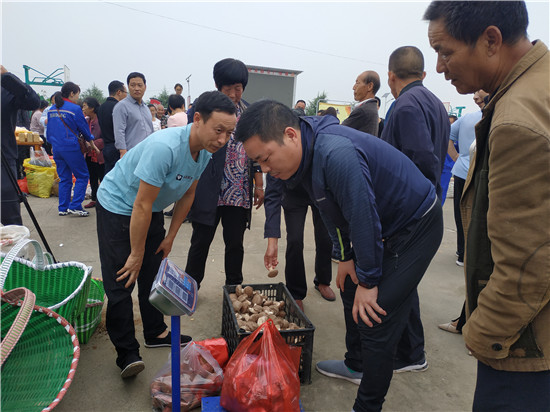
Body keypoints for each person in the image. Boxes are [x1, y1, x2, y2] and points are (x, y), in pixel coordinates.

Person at [235, 100, 443, 412]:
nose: (265, 169)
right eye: (258, 164)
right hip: (383, 223)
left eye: (265, 159)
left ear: (290, 135)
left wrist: (371, 280)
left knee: (376, 315)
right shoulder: (303, 158)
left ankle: (367, 406)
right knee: (348, 285)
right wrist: (345, 258)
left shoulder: (335, 154)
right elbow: (330, 210)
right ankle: (355, 364)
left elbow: (362, 216)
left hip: (415, 225)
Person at [425, 2, 550, 410]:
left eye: (445, 51)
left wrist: (482, 333)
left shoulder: (517, 118)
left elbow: (528, 262)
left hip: (528, 350)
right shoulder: (534, 89)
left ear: (491, 40)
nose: (441, 67)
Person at [96, 91, 237, 379]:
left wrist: (171, 236)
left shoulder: (206, 153)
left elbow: (188, 195)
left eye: (229, 133)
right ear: (197, 119)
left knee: (153, 271)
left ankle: (155, 331)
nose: (223, 139)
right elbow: (141, 204)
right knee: (123, 278)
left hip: (151, 207)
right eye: (218, 130)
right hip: (119, 205)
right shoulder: (166, 147)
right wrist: (135, 253)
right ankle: (127, 353)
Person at [380, 45, 450, 373]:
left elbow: (423, 157)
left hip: (410, 211)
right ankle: (410, 349)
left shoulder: (404, 106)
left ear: (391, 76)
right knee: (405, 279)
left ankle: (411, 353)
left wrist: (419, 200)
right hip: (424, 205)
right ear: (423, 75)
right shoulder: (435, 102)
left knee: (399, 279)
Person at [185, 58, 264, 288]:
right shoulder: (204, 107)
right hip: (209, 187)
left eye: (237, 88)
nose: (232, 93)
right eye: (227, 88)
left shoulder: (248, 111)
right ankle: (191, 286)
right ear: (218, 86)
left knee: (235, 243)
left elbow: (256, 149)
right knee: (200, 241)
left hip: (238, 192)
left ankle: (233, 286)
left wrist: (258, 184)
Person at [264, 173, 336, 312]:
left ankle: (323, 280)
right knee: (295, 240)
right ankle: (295, 291)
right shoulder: (275, 158)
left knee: (325, 238)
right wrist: (272, 241)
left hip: (319, 189)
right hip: (293, 195)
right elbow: (272, 196)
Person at [47, 82, 99, 217]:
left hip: (57, 148)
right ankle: (75, 205)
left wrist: (53, 144)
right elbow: (84, 129)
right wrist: (91, 141)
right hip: (70, 147)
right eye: (77, 94)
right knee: (82, 176)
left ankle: (63, 207)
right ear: (72, 93)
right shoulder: (74, 109)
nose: (78, 98)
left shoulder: (52, 109)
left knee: (64, 178)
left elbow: (49, 132)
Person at [1, 65, 40, 225]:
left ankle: (17, 250)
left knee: (10, 219)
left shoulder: (6, 89)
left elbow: (32, 101)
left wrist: (8, 77)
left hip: (3, 163)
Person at [113, 72, 153, 158]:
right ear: (128, 87)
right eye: (133, 85)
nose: (136, 88)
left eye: (139, 85)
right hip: (132, 154)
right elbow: (119, 131)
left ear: (145, 87)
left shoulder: (146, 108)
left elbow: (151, 130)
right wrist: (123, 151)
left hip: (148, 152)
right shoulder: (121, 106)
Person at [97, 80, 127, 174]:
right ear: (119, 92)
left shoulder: (101, 107)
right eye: (125, 92)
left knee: (109, 175)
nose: (126, 95)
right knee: (119, 176)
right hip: (117, 148)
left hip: (106, 147)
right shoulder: (118, 107)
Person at [82, 97, 105, 209]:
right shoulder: (86, 121)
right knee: (92, 177)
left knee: (103, 177)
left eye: (85, 106)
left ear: (92, 107)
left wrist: (93, 144)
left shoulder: (101, 120)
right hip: (89, 154)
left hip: (100, 153)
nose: (83, 108)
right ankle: (94, 199)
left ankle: (105, 200)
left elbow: (106, 137)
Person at [342, 71, 380, 136]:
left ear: (370, 86)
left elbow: (340, 130)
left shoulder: (363, 110)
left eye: (357, 83)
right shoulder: (371, 107)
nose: (353, 87)